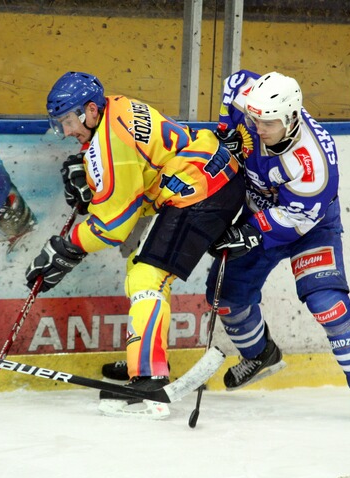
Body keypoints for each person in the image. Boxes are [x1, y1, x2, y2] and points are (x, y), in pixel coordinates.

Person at [25, 71, 245, 419]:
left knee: (147, 277)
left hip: (200, 190)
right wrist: (91, 179)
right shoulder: (117, 106)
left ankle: (148, 379)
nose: (66, 131)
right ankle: (144, 358)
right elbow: (137, 172)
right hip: (207, 174)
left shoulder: (112, 145)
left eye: (68, 121)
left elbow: (114, 226)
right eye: (61, 124)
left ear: (90, 110)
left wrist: (67, 247)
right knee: (141, 269)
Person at [208, 70, 350, 421]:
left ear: (290, 119)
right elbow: (234, 82)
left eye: (268, 123)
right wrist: (226, 129)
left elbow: (296, 219)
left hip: (311, 226)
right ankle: (260, 355)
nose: (258, 128)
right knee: (225, 296)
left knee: (327, 303)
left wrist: (250, 231)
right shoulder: (253, 106)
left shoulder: (313, 165)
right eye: (255, 119)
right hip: (261, 209)